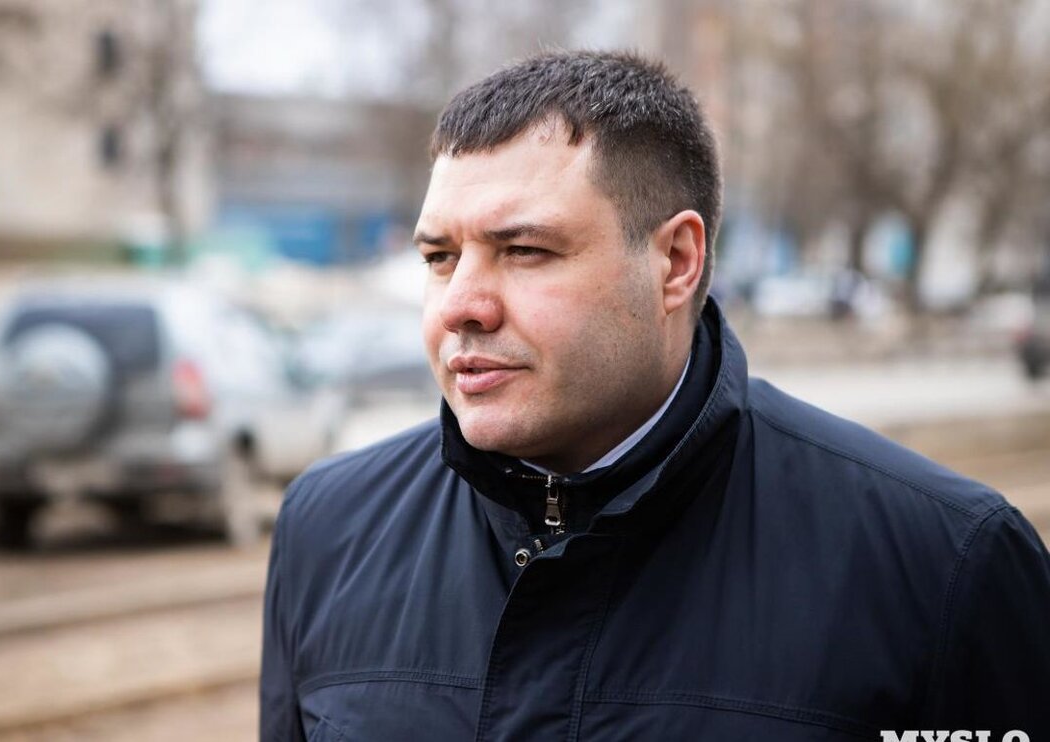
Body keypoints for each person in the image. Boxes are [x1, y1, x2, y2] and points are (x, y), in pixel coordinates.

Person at [261, 51, 1050, 741]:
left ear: (675, 262)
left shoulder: (947, 566)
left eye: (524, 250)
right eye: (440, 257)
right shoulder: (328, 528)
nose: (461, 305)